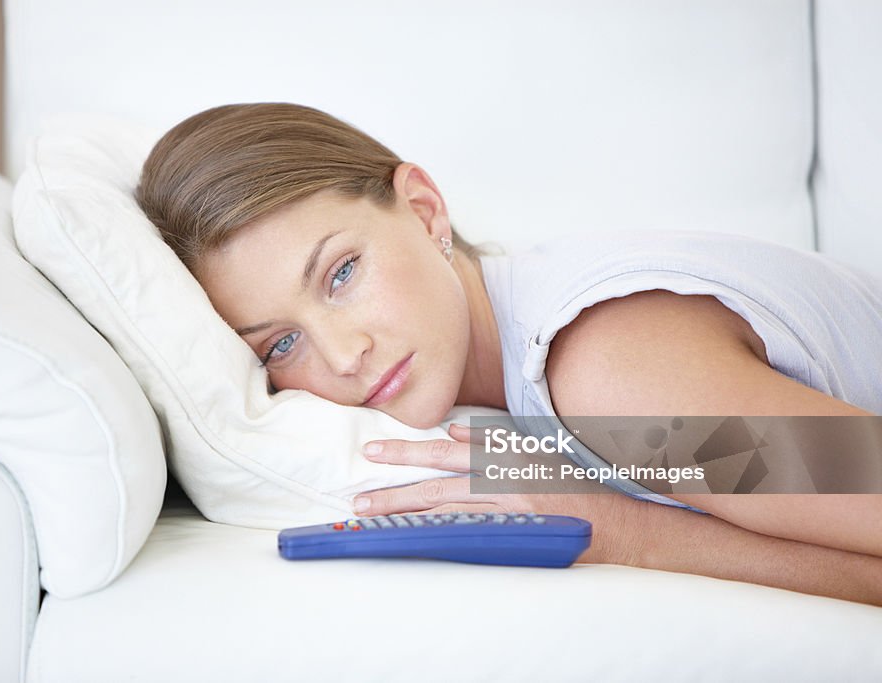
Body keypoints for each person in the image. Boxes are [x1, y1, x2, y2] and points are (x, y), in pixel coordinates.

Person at [136, 102, 882, 605]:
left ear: (425, 209)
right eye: (282, 343)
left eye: (341, 272)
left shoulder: (607, 369)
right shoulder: (516, 381)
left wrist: (624, 532)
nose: (344, 354)